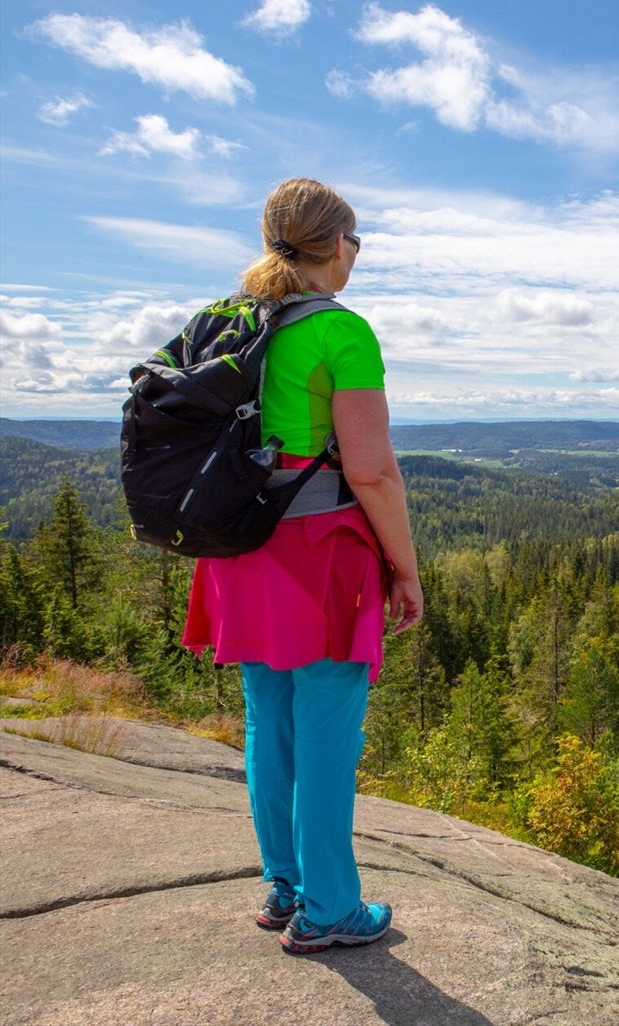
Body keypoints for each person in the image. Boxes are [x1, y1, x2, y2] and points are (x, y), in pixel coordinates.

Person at [182, 178, 424, 955]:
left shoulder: (230, 322)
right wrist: (406, 568)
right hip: (320, 554)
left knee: (268, 720)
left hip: (238, 549)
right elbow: (374, 473)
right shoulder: (341, 333)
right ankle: (329, 908)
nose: (358, 254)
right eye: (357, 240)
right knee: (326, 731)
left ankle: (285, 884)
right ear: (335, 244)